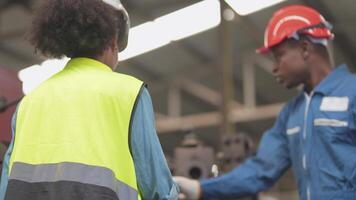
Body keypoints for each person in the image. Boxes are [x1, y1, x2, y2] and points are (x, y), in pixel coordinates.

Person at [0, 0, 179, 199]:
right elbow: (158, 188)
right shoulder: (129, 92)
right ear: (112, 43)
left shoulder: (30, 101)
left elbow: (6, 184)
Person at [174, 4, 356, 200]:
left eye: (279, 56)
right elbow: (261, 170)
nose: (274, 68)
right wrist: (201, 189)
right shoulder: (291, 115)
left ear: (304, 48)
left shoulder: (352, 92)